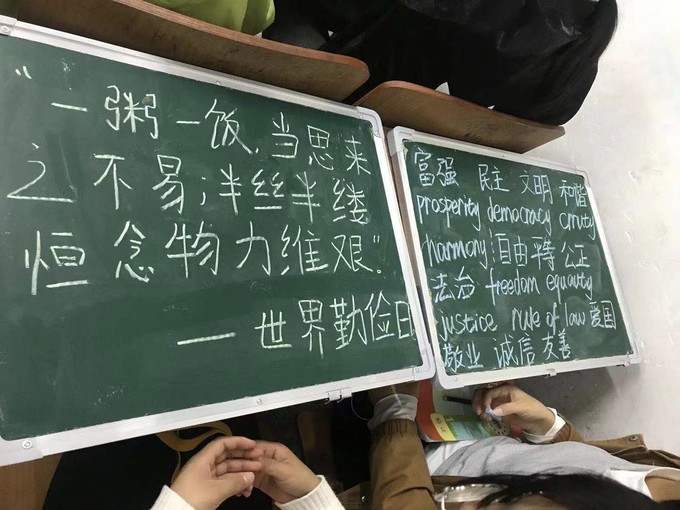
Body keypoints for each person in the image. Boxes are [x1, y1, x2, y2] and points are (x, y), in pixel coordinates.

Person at [151, 384, 680, 509]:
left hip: (409, 474)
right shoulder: (672, 475)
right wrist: (551, 427)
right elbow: (600, 475)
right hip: (460, 443)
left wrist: (395, 412)